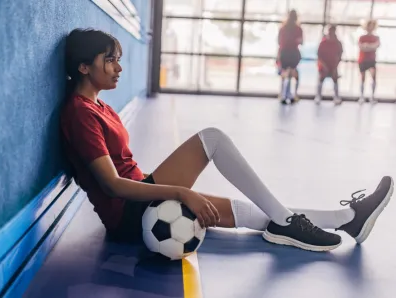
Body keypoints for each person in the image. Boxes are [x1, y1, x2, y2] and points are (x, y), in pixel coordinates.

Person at [60, 28, 394, 253]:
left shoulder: (98, 105)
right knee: (213, 139)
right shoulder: (80, 114)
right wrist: (181, 191)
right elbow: (114, 185)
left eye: (118, 59)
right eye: (110, 60)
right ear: (84, 66)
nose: (118, 67)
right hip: (128, 215)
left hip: (138, 198)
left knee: (247, 213)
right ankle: (295, 222)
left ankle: (347, 219)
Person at [277, 10, 303, 105]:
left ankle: (284, 94)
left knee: (285, 75)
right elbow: (301, 41)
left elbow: (279, 41)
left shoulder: (283, 28)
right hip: (293, 53)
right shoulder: (298, 29)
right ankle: (291, 94)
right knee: (293, 74)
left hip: (284, 53)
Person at [315, 25, 343, 105]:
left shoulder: (338, 43)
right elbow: (319, 56)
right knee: (321, 78)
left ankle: (336, 96)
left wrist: (335, 66)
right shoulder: (323, 43)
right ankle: (318, 96)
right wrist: (324, 66)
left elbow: (339, 56)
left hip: (333, 65)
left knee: (335, 79)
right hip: (323, 65)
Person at [358, 19, 380, 104]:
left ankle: (372, 96)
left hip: (371, 60)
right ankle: (362, 96)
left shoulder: (376, 37)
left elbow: (376, 46)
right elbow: (361, 47)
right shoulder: (362, 37)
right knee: (362, 78)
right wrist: (370, 47)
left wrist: (367, 46)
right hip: (363, 60)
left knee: (373, 78)